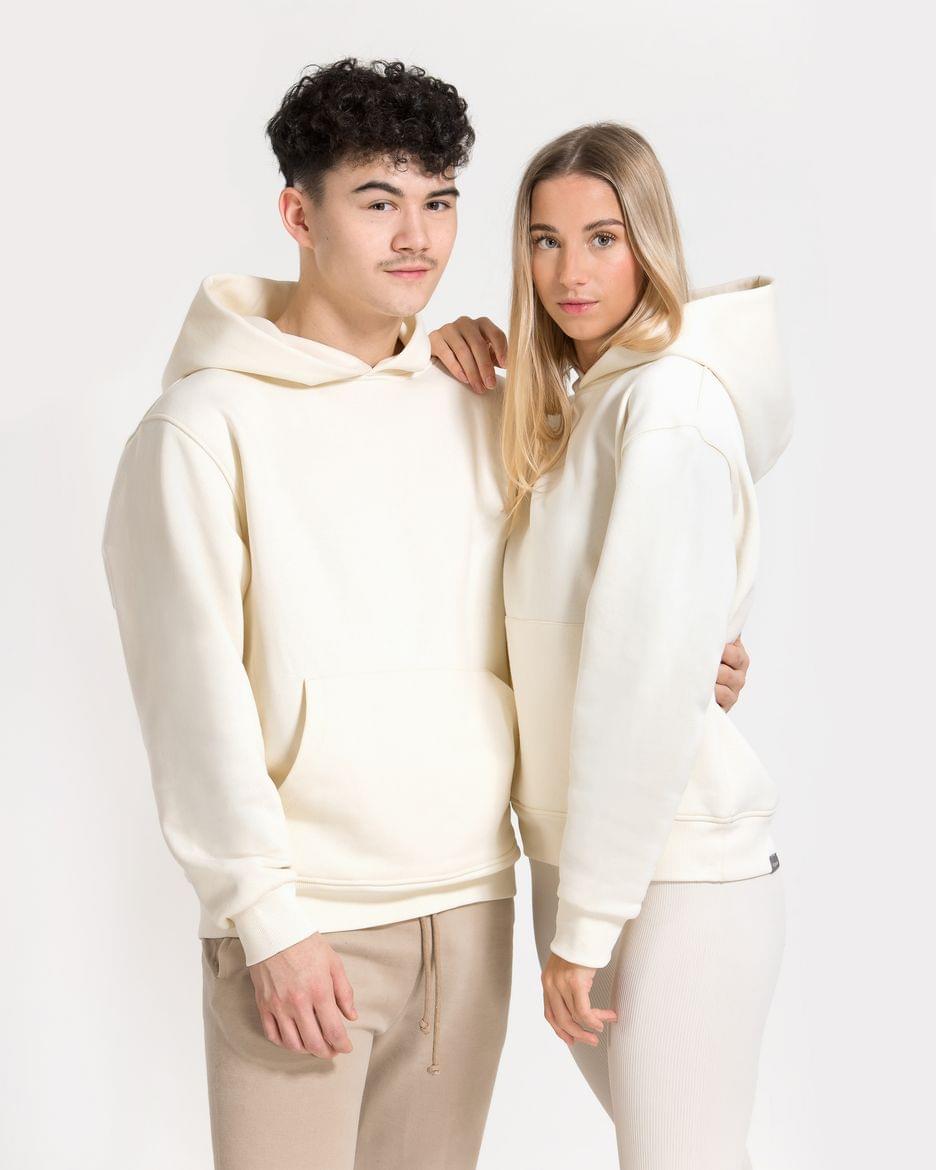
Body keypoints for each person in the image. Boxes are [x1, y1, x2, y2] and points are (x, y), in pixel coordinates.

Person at [101, 60, 749, 1170]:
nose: (417, 239)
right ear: (298, 216)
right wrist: (266, 920)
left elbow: (564, 601)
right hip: (307, 925)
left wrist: (700, 657)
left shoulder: (482, 402)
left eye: (439, 202)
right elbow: (188, 697)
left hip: (474, 907)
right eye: (378, 202)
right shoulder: (200, 431)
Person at [430, 122, 791, 1169]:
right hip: (592, 860)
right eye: (544, 241)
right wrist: (428, 352)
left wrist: (583, 927)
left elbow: (642, 687)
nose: (570, 273)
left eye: (602, 238)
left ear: (650, 243)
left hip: (676, 875)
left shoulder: (666, 407)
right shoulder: (584, 407)